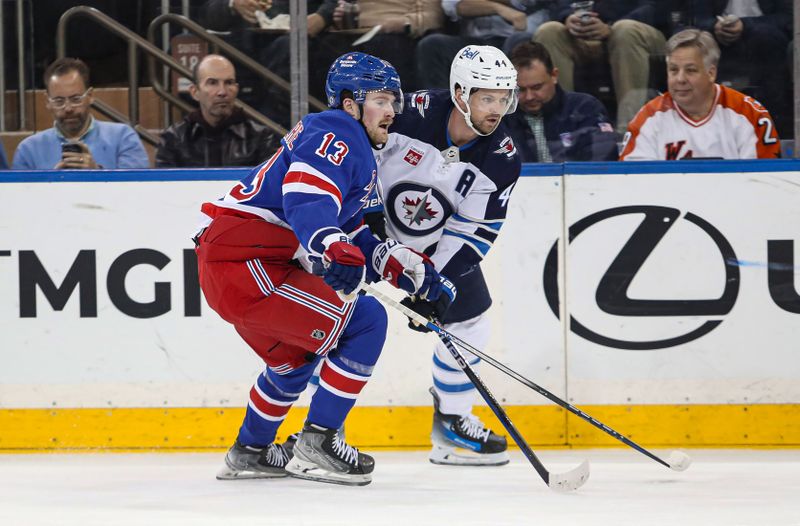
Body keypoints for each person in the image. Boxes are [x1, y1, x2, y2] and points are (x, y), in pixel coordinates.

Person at [195, 52, 453, 486]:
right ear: (350, 102)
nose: (391, 110)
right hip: (247, 263)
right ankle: (319, 440)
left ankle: (250, 451)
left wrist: (411, 270)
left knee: (294, 362)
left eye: (395, 100)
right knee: (367, 321)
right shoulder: (335, 130)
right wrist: (330, 246)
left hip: (238, 266)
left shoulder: (357, 151)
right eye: (380, 99)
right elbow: (305, 198)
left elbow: (353, 231)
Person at [368, 45, 522, 466]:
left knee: (471, 320)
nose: (497, 108)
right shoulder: (411, 114)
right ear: (459, 94)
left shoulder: (502, 156)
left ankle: (452, 424)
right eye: (486, 97)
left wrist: (439, 281)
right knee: (326, 322)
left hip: (432, 247)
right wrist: (371, 231)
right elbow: (361, 159)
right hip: (366, 231)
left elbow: (479, 229)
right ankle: (316, 431)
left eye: (503, 97)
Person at [620, 29, 780, 161]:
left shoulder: (751, 115)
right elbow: (633, 185)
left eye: (690, 70)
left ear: (711, 73)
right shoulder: (648, 119)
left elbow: (766, 185)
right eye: (673, 70)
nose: (680, 79)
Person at [534, 0, 668, 134]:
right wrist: (567, 17)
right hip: (583, 37)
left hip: (639, 28)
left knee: (625, 30)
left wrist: (610, 27)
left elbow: (655, 7)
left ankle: (629, 132)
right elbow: (557, 4)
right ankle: (561, 130)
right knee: (548, 31)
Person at [678, 0, 792, 137]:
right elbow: (694, 17)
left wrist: (746, 25)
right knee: (691, 42)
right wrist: (714, 26)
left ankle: (774, 130)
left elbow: (788, 18)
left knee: (768, 38)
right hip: (715, 37)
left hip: (766, 39)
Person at [12, 58, 149, 170]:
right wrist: (51, 184)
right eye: (59, 101)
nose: (68, 108)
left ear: (90, 96)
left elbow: (137, 195)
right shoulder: (28, 150)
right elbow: (21, 200)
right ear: (47, 101)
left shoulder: (123, 138)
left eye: (76, 99)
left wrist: (97, 174)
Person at [155, 55, 279, 168]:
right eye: (212, 83)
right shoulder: (174, 139)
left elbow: (270, 187)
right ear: (194, 92)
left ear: (237, 89)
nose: (222, 92)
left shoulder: (261, 138)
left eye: (229, 82)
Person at [505, 41, 617, 162]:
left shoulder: (585, 108)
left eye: (537, 87)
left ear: (554, 75)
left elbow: (602, 162)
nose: (529, 97)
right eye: (520, 90)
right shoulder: (502, 118)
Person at [416, 0, 553, 88]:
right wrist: (498, 8)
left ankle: (511, 116)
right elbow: (455, 6)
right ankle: (442, 112)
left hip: (521, 37)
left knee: (517, 44)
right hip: (477, 43)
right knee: (432, 45)